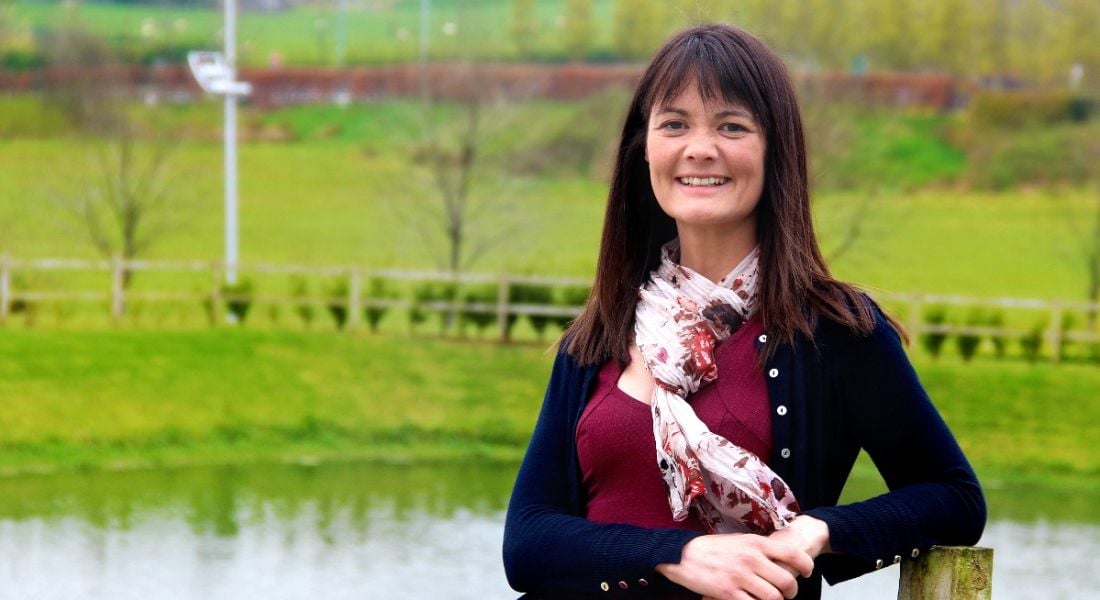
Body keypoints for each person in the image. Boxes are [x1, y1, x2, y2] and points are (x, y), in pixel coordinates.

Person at [502, 23, 986, 600]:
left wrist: (820, 530)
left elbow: (952, 495)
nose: (700, 148)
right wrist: (675, 556)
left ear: (773, 150)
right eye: (674, 124)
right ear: (645, 149)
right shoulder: (604, 330)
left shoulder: (834, 330)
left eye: (731, 126)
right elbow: (527, 542)